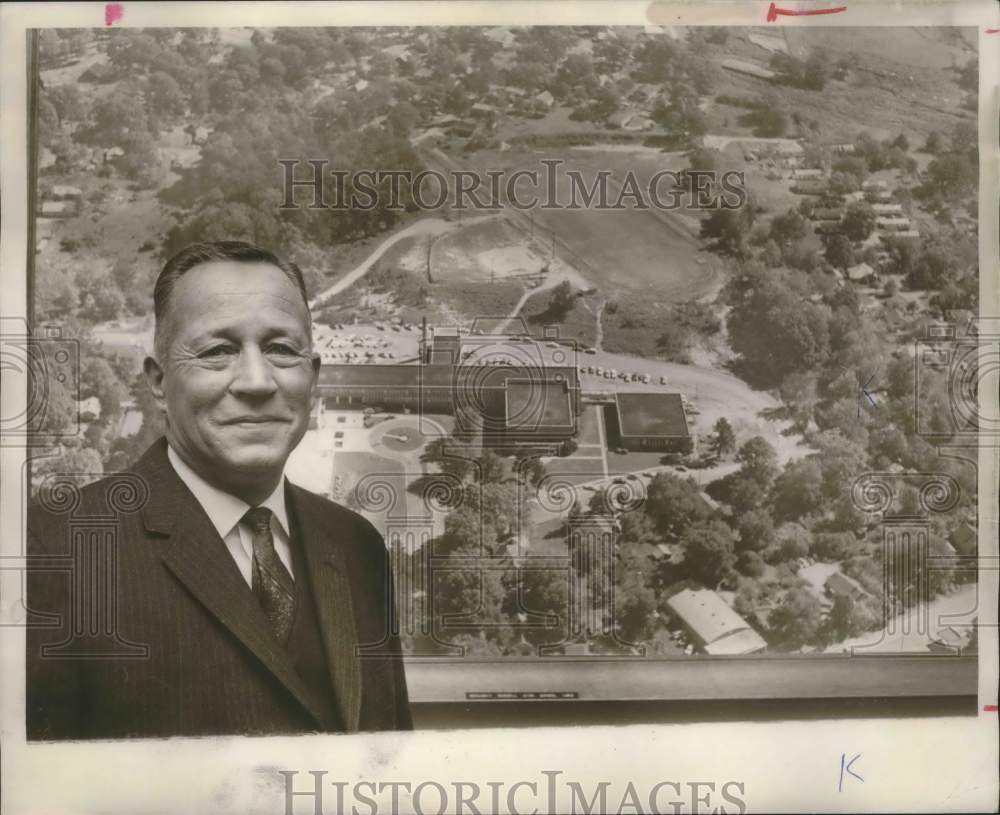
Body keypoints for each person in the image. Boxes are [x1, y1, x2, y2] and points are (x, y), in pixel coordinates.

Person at [27, 241, 411, 739]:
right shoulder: (55, 547)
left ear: (312, 377)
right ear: (158, 382)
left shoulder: (359, 546)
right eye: (217, 351)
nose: (256, 381)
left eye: (280, 349)